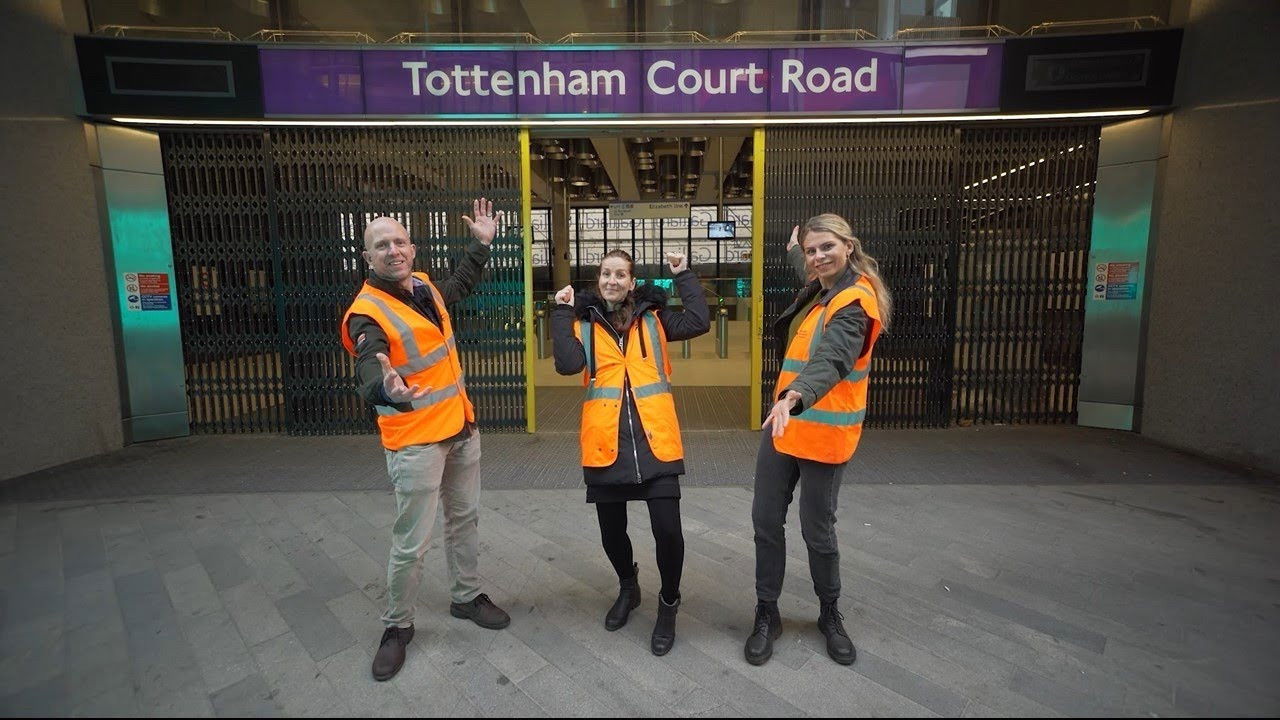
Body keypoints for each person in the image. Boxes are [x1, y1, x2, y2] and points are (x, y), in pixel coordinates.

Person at [340, 200, 513, 682]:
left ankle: (466, 597)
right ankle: (397, 626)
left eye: (399, 242)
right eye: (382, 245)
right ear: (367, 257)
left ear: (413, 248)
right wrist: (383, 388)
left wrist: (481, 244)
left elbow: (459, 285)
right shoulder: (365, 313)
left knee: (465, 520)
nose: (393, 250)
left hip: (460, 428)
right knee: (411, 542)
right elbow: (369, 360)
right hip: (417, 441)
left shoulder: (424, 287)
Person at [744, 214, 892, 667]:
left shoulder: (856, 301)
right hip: (784, 427)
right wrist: (795, 248)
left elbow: (833, 357)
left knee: (817, 530)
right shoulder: (819, 287)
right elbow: (807, 268)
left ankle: (830, 612)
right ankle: (767, 611)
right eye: (812, 251)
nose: (818, 257)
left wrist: (795, 396)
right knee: (766, 521)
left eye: (827, 247)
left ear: (849, 245)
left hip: (821, 430)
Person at [549, 249, 710, 656]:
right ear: (598, 280)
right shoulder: (584, 324)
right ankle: (628, 585)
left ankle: (669, 603)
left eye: (621, 274)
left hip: (655, 440)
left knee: (668, 531)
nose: (613, 280)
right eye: (606, 273)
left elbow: (699, 321)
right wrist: (562, 312)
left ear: (632, 282)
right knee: (611, 533)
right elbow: (567, 365)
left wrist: (683, 274)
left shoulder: (655, 319)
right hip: (606, 442)